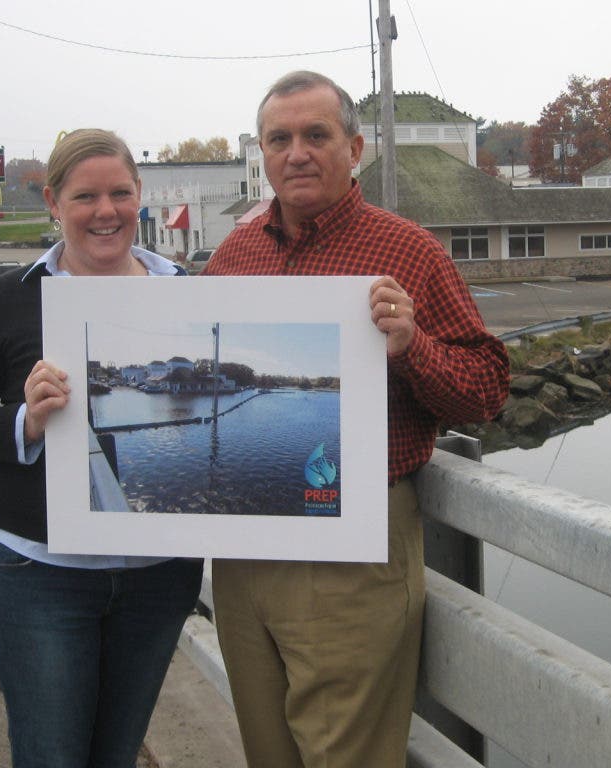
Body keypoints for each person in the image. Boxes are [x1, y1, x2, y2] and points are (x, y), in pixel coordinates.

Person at [203, 71, 509, 767]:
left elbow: (487, 390)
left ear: (355, 148)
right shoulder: (234, 255)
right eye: (279, 139)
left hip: (351, 551)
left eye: (316, 135)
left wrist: (413, 346)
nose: (297, 154)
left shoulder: (408, 251)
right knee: (268, 754)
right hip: (244, 549)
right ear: (261, 153)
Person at [0, 129, 203, 768]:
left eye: (120, 193)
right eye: (85, 197)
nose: (106, 211)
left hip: (157, 579)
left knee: (116, 755)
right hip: (38, 575)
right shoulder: (8, 300)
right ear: (52, 202)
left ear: (139, 194)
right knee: (51, 755)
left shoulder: (187, 291)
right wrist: (24, 423)